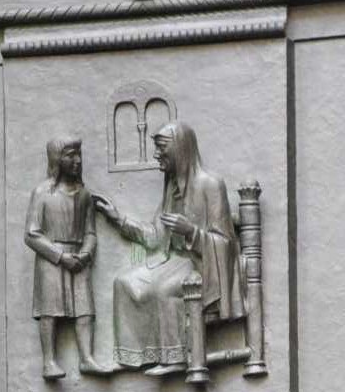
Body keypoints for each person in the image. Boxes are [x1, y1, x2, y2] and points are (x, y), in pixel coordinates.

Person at [94, 121, 244, 376]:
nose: (156, 155)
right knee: (123, 283)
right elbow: (155, 236)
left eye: (161, 148)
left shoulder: (210, 184)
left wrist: (192, 232)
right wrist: (118, 219)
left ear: (180, 148)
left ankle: (174, 358)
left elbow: (226, 244)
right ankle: (131, 357)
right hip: (172, 262)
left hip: (203, 265)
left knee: (165, 290)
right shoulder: (172, 188)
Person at [25, 136, 110, 379]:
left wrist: (85, 254)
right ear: (56, 159)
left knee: (84, 309)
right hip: (51, 260)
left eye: (78, 154)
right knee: (50, 310)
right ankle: (49, 361)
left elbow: (90, 232)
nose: (78, 160)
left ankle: (86, 358)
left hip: (78, 257)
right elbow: (31, 234)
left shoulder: (84, 194)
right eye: (71, 155)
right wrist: (61, 257)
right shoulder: (42, 193)